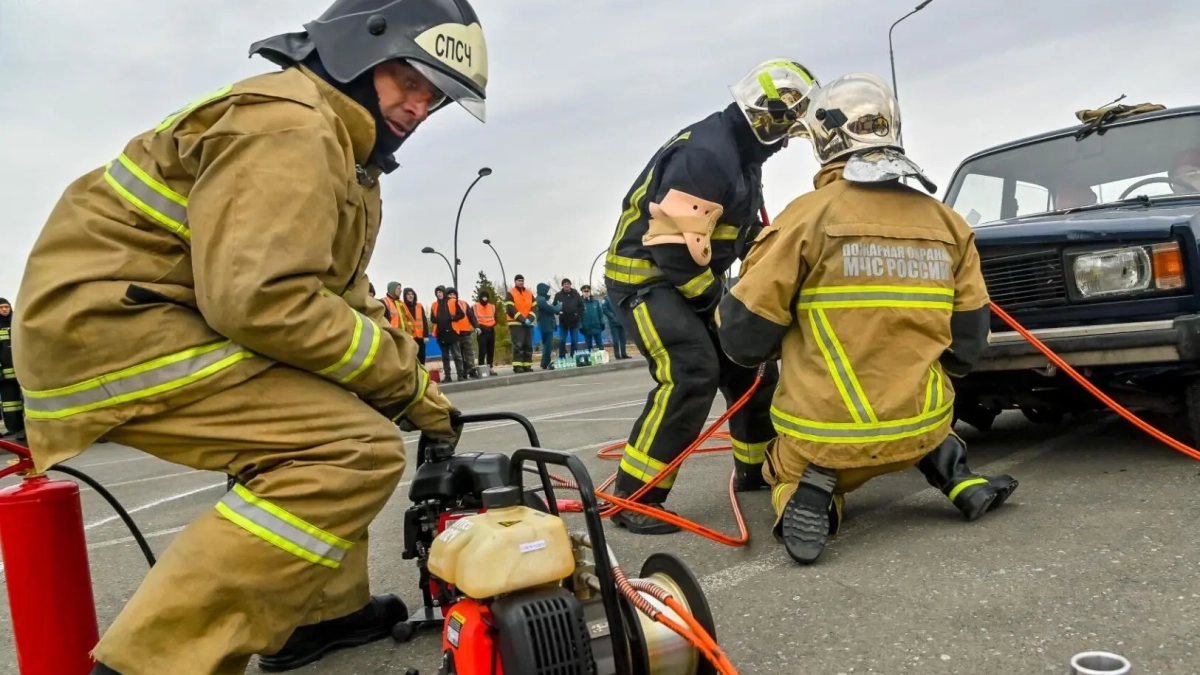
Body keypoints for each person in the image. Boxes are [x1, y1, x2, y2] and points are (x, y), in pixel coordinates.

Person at [10, 0, 488, 671]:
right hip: (111, 331)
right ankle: (149, 662)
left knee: (340, 403)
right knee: (352, 449)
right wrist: (400, 383)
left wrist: (420, 397)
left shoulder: (344, 151)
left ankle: (318, 615)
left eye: (433, 97)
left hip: (146, 318)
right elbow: (262, 300)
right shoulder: (290, 126)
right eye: (409, 81)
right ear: (360, 50)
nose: (418, 107)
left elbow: (341, 300)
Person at [714, 72, 1018, 566]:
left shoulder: (805, 218)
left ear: (822, 141)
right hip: (923, 429)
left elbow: (744, 339)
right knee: (930, 422)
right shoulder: (949, 223)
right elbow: (966, 348)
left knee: (782, 466)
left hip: (827, 444)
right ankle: (957, 477)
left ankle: (808, 494)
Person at [601, 59, 819, 535]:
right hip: (648, 278)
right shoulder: (707, 154)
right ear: (768, 117)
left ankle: (756, 470)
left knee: (750, 363)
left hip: (687, 274)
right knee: (691, 370)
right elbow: (675, 249)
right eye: (787, 132)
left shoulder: (742, 156)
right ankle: (637, 497)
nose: (786, 144)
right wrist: (719, 308)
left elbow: (738, 231)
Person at [430, 285, 468, 382]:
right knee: (445, 356)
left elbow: (461, 314)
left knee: (457, 355)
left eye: (440, 292)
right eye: (437, 292)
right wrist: (439, 320)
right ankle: (447, 376)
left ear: (444, 292)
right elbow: (432, 319)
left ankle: (460, 375)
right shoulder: (434, 305)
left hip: (453, 332)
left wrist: (451, 318)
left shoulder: (453, 302)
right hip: (441, 333)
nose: (439, 294)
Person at [0, 298, 22, 439]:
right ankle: (14, 428)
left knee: (26, 402)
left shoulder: (17, 323)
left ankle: (24, 429)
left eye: (7, 307)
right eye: (1, 307)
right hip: (4, 376)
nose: (4, 309)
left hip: (22, 373)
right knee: (10, 405)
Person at [504, 274, 536, 372]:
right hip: (515, 323)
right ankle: (517, 366)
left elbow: (534, 307)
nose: (520, 282)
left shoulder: (529, 293)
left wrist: (530, 319)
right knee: (518, 345)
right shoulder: (511, 293)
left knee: (528, 345)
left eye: (522, 280)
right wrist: (522, 319)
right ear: (515, 282)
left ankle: (527, 365)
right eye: (518, 280)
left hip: (528, 323)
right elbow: (510, 309)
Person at [450, 288, 480, 379]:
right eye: (450, 294)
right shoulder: (446, 305)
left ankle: (472, 370)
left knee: (469, 353)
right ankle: (462, 372)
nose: (452, 296)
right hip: (455, 333)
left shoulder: (463, 303)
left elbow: (471, 316)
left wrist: (476, 326)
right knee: (459, 355)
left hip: (465, 331)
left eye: (453, 294)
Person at [553, 278, 583, 358]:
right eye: (564, 284)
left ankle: (574, 356)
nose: (566, 285)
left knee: (574, 340)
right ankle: (562, 357)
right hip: (563, 322)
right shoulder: (558, 295)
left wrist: (577, 314)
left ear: (570, 285)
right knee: (562, 340)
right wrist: (558, 312)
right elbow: (554, 307)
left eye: (568, 284)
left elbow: (581, 307)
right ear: (562, 285)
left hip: (574, 321)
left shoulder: (576, 294)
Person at [536, 282, 562, 370]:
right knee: (548, 345)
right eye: (546, 291)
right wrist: (559, 306)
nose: (547, 292)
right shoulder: (541, 300)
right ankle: (545, 363)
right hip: (546, 325)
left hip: (544, 325)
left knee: (546, 345)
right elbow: (552, 310)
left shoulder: (540, 299)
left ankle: (544, 362)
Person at [401, 287, 429, 364]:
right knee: (411, 358)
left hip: (420, 337)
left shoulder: (419, 306)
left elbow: (424, 321)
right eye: (408, 294)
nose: (411, 296)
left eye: (412, 294)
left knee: (422, 357)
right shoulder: (402, 307)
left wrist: (426, 335)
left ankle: (422, 375)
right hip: (409, 337)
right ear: (405, 296)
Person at [472, 290, 497, 370]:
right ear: (480, 298)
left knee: (491, 350)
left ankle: (490, 367)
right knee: (482, 351)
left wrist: (492, 325)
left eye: (486, 297)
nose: (485, 299)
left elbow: (496, 318)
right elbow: (471, 318)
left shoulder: (492, 306)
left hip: (491, 330)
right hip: (481, 331)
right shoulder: (475, 307)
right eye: (483, 297)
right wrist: (477, 327)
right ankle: (481, 368)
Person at [602, 293, 630, 359]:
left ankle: (624, 353)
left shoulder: (620, 297)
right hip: (613, 322)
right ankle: (617, 354)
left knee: (623, 339)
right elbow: (605, 309)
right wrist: (612, 316)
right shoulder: (607, 299)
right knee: (616, 339)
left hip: (622, 321)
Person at [579, 285, 606, 353]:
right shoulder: (579, 303)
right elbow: (578, 316)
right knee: (588, 345)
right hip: (586, 327)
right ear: (582, 292)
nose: (586, 293)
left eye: (588, 291)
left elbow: (600, 314)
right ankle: (590, 359)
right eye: (584, 291)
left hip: (596, 326)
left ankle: (602, 357)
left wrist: (602, 323)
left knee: (599, 343)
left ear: (590, 292)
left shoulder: (595, 302)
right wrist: (580, 326)